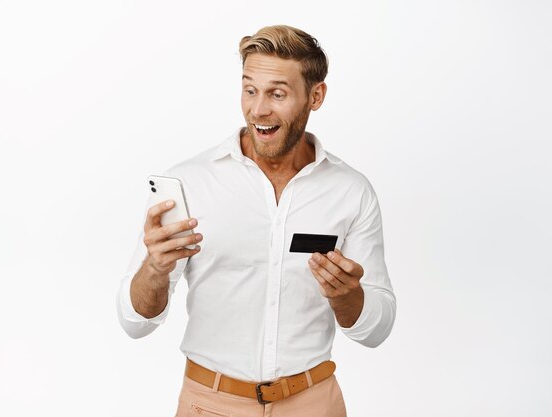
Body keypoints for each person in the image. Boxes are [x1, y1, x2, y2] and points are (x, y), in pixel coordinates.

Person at [117, 25, 396, 417]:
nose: (258, 109)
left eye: (277, 94)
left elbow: (376, 330)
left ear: (316, 96)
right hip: (210, 404)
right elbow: (134, 323)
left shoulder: (351, 191)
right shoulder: (191, 182)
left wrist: (347, 296)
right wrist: (155, 268)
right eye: (250, 90)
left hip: (314, 403)